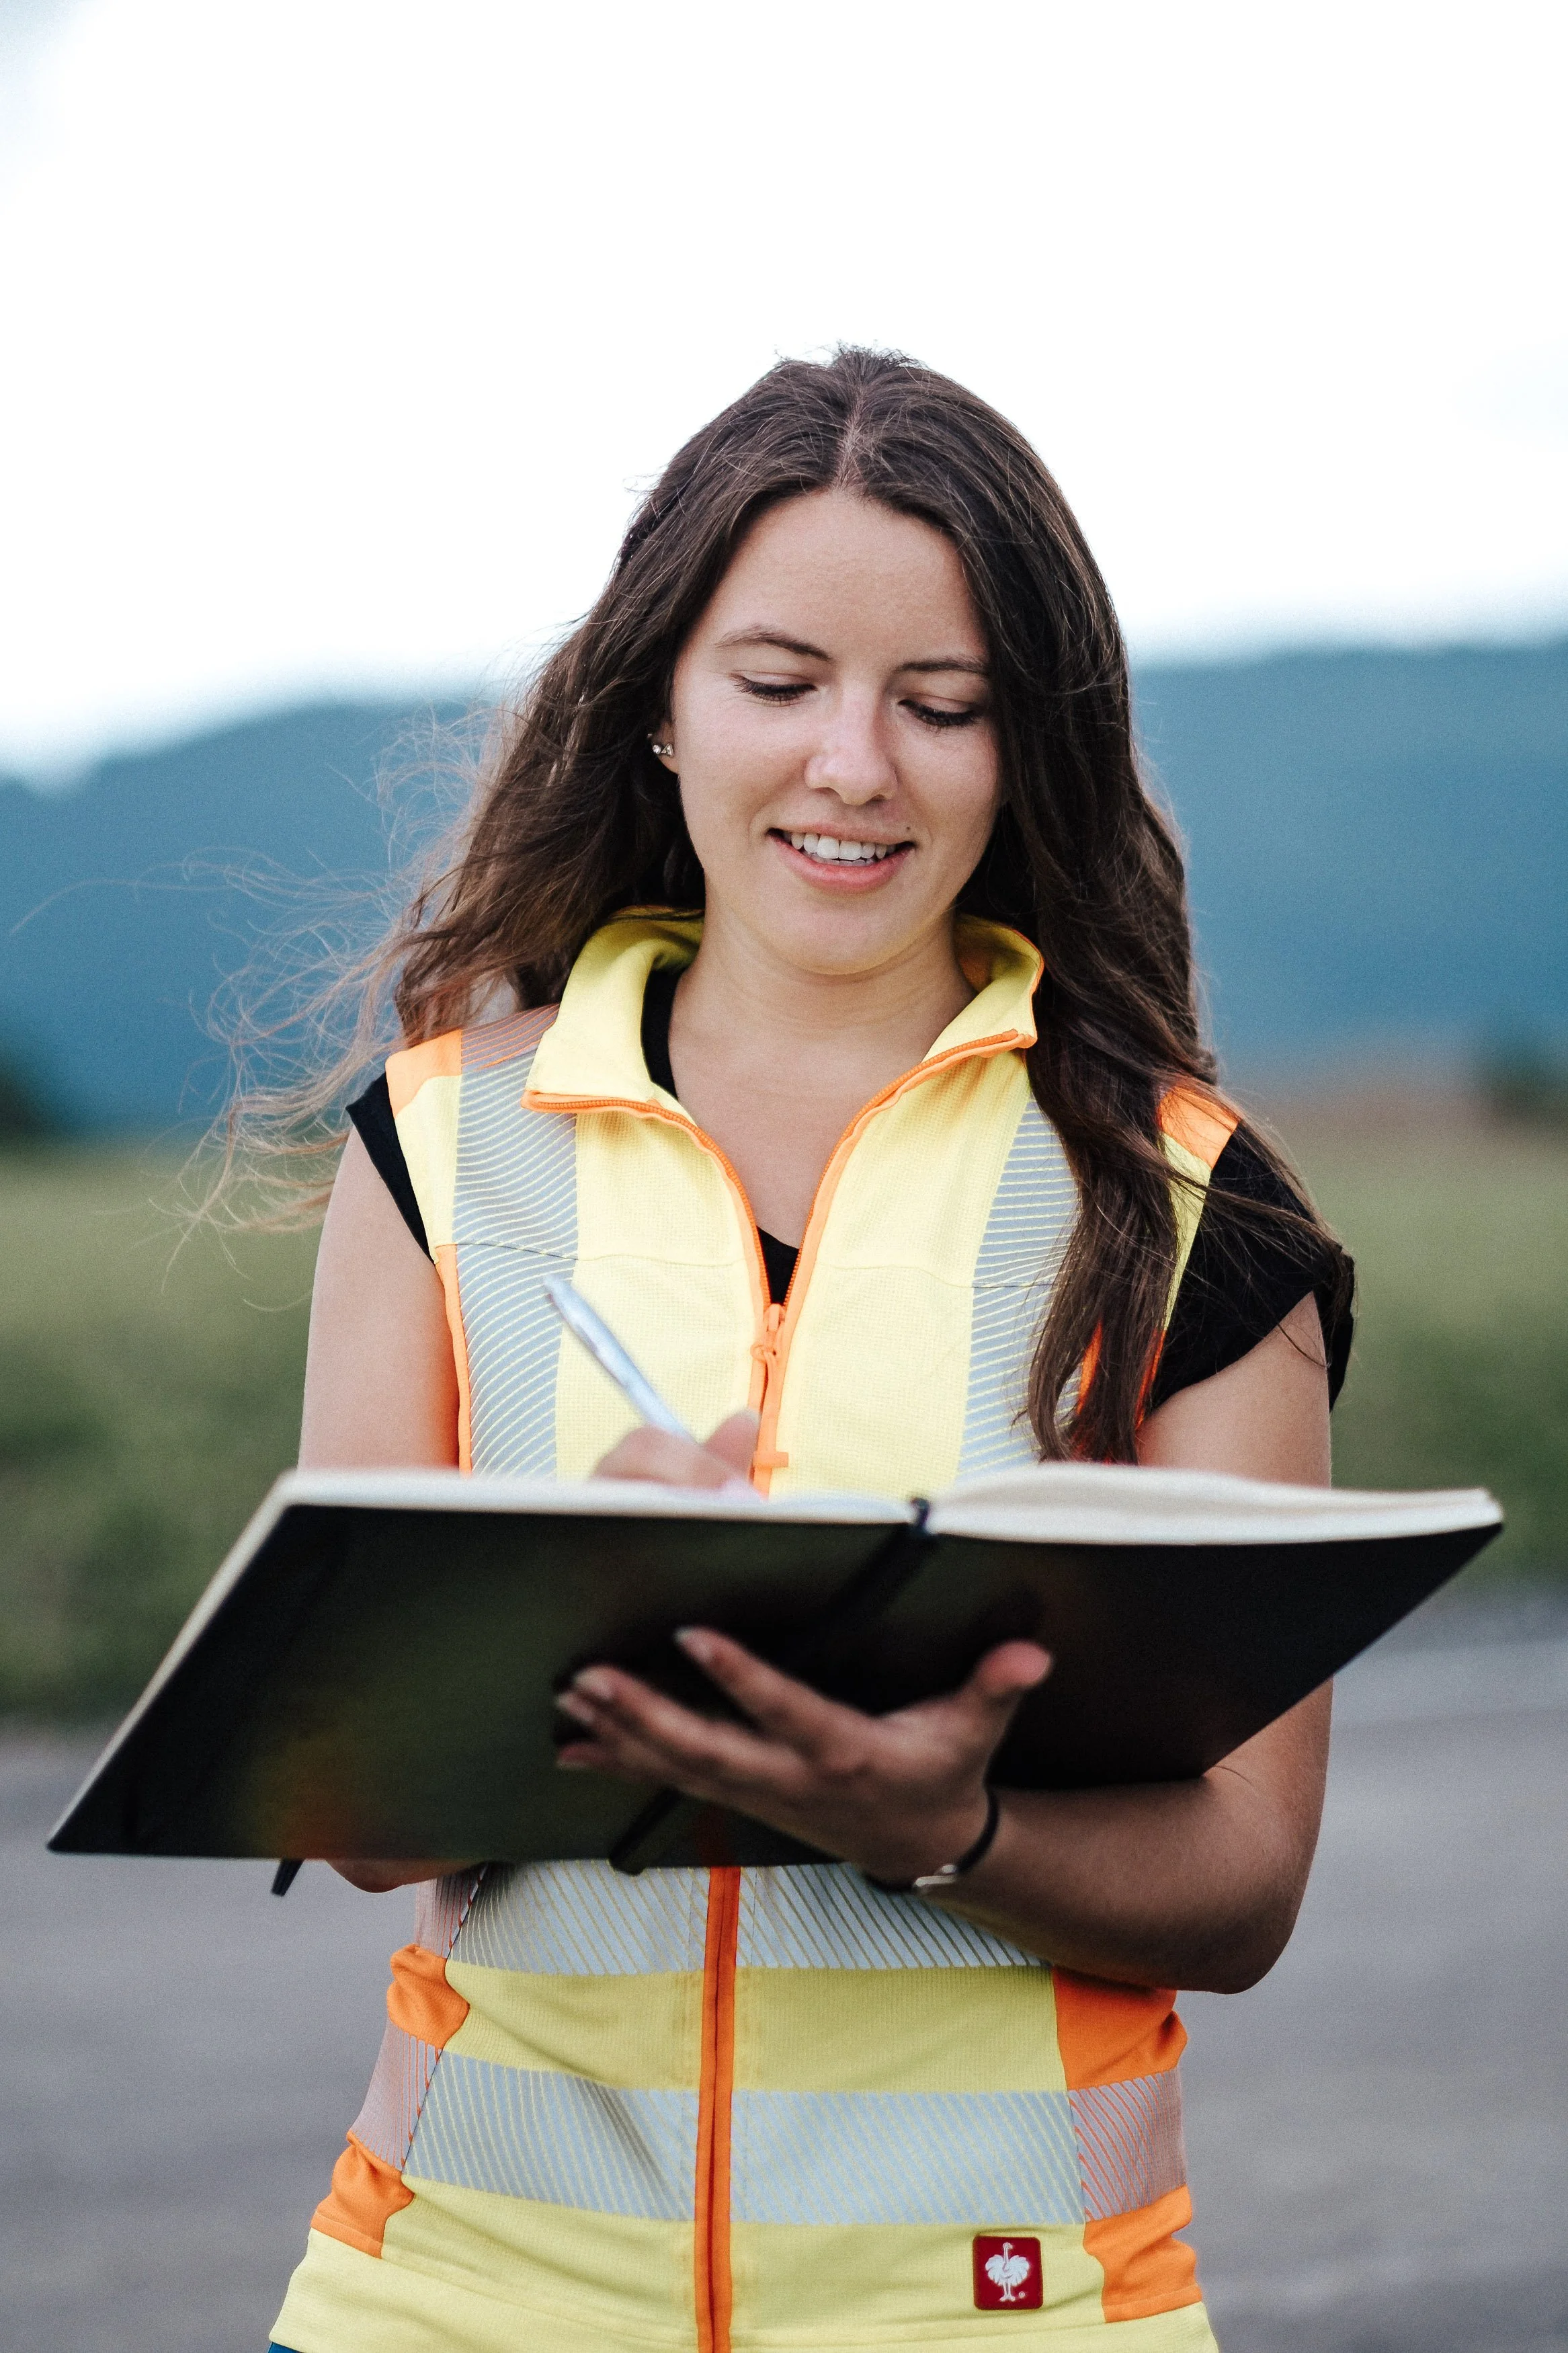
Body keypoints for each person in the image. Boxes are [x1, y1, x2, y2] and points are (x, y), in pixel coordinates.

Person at [265, 348, 1352, 2353]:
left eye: (941, 705)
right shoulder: (436, 1148)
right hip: (455, 2294)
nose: (852, 761)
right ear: (658, 711)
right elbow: (355, 1824)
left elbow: (1244, 1881)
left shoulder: (1194, 1207)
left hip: (1003, 2314)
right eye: (777, 684)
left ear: (1033, 748)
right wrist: (536, 1622)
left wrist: (936, 1826)